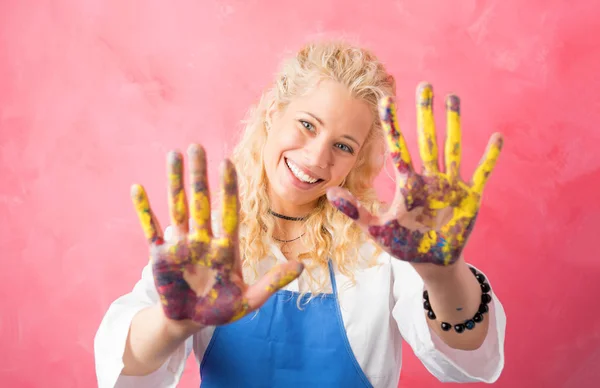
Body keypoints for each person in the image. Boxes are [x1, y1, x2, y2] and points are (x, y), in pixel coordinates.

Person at [94, 40, 506, 388]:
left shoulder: (384, 248)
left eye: (343, 146)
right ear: (274, 113)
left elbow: (472, 364)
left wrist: (443, 274)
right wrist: (172, 324)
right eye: (307, 125)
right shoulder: (209, 243)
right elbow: (123, 371)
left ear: (357, 161)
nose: (316, 157)